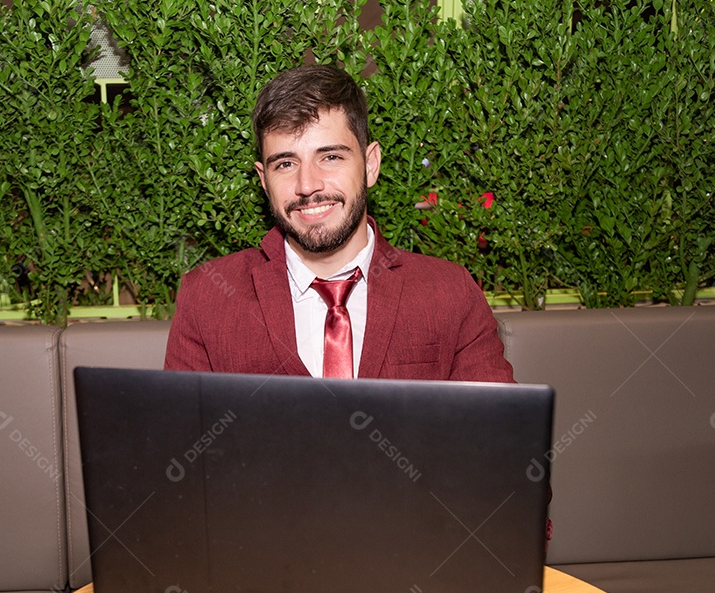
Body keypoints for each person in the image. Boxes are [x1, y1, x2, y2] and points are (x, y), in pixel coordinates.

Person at [163, 64, 514, 384]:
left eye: (330, 157)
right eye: (285, 164)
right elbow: (180, 430)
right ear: (264, 180)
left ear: (370, 165)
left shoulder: (449, 292)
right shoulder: (207, 297)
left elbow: (497, 427)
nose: (307, 185)